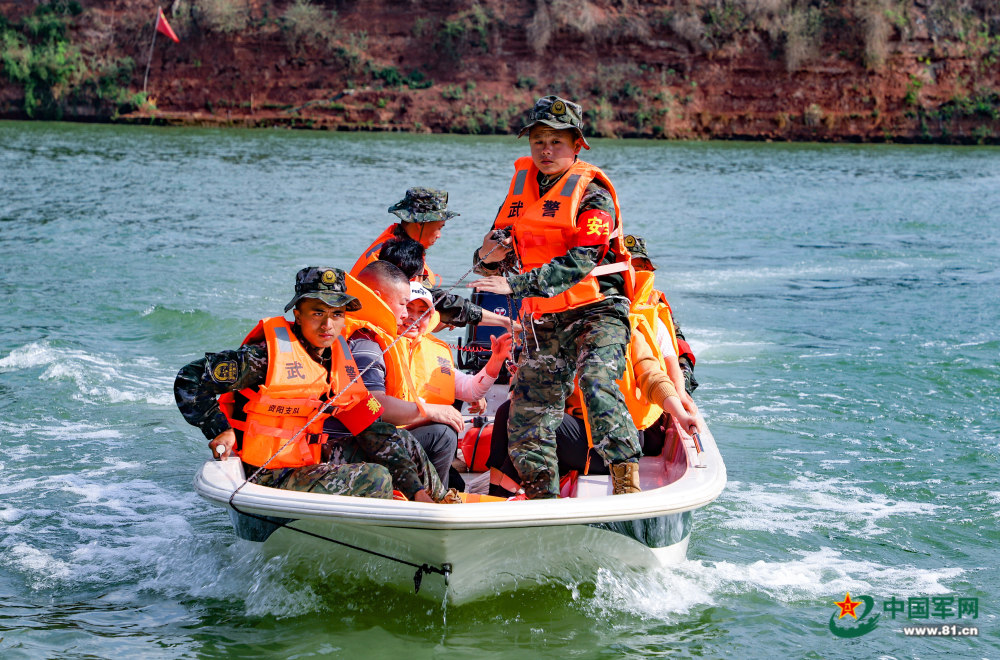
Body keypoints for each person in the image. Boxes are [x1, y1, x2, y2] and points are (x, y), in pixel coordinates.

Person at [470, 94, 643, 498]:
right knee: (527, 410)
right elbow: (494, 257)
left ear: (577, 145)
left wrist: (516, 285)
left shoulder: (593, 194)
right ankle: (541, 495)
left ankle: (625, 480)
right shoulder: (520, 188)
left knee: (598, 382)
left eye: (556, 142)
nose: (546, 151)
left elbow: (583, 258)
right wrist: (487, 259)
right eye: (538, 141)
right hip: (545, 317)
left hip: (597, 311)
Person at [174, 267, 456, 503]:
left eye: (336, 315)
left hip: (311, 458)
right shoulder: (265, 357)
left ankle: (439, 505)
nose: (327, 325)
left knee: (400, 440)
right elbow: (190, 378)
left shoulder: (339, 358)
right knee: (376, 478)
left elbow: (371, 422)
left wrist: (416, 491)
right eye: (317, 313)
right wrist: (219, 429)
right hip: (269, 472)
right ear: (298, 314)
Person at [486, 307, 698, 497]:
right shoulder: (558, 333)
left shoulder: (629, 333)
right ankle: (495, 491)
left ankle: (511, 494)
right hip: (579, 432)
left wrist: (680, 414)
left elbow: (653, 379)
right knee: (508, 410)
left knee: (537, 421)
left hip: (613, 445)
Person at [344, 260, 465, 485]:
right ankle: (430, 505)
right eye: (403, 304)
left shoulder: (373, 335)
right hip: (351, 445)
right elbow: (375, 404)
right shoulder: (366, 343)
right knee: (442, 435)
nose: (405, 315)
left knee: (457, 481)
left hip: (366, 434)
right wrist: (428, 411)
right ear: (379, 297)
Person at [351, 187, 513, 330]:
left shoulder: (401, 243)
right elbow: (439, 301)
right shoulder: (393, 255)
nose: (439, 235)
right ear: (421, 223)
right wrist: (506, 322)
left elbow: (430, 301)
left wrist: (439, 317)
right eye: (439, 228)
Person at [402, 281, 512, 413]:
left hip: (428, 425)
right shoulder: (379, 345)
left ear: (430, 317)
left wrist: (496, 359)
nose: (414, 318)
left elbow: (471, 390)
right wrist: (436, 413)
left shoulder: (435, 350)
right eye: (408, 308)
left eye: (422, 312)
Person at [624, 234, 699, 410]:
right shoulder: (597, 302)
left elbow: (679, 347)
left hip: (655, 393)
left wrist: (681, 389)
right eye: (631, 267)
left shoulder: (656, 306)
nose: (637, 273)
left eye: (641, 267)